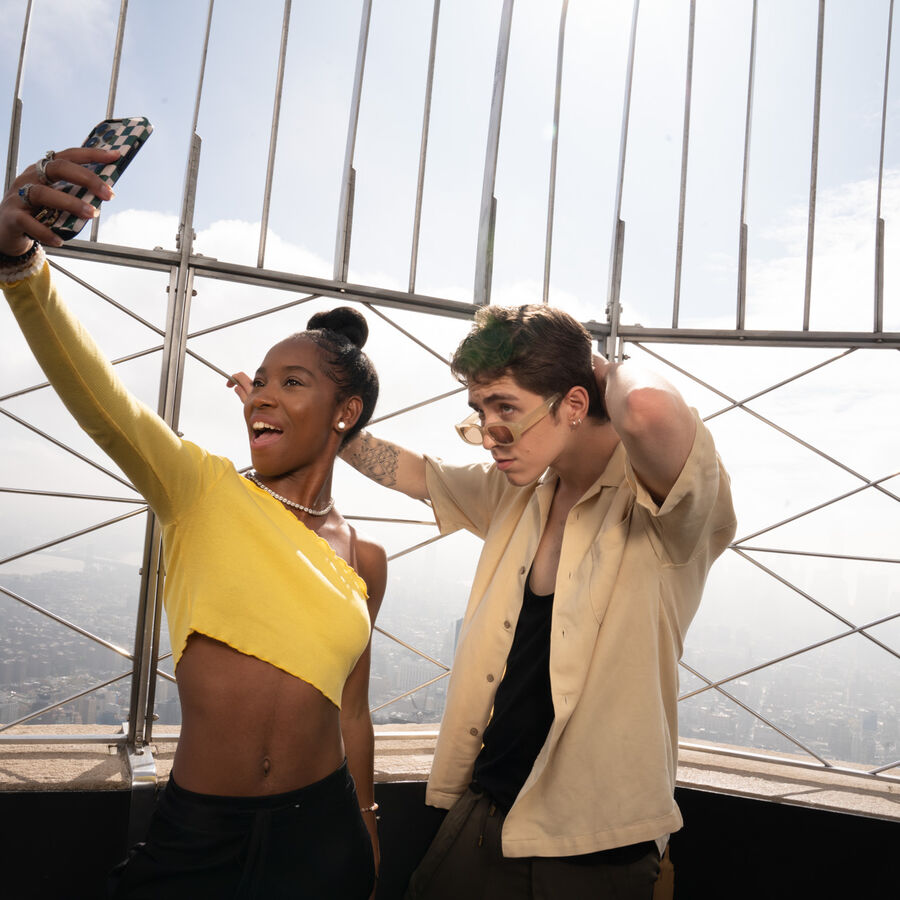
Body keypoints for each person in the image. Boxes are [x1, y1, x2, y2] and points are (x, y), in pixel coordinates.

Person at [0, 146, 386, 899]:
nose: (261, 397)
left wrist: (368, 829)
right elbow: (103, 398)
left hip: (325, 835)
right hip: (199, 835)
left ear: (346, 414)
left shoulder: (365, 558)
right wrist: (19, 265)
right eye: (260, 383)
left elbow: (356, 711)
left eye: (292, 383)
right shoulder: (201, 490)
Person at [338, 304, 737, 899]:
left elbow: (648, 410)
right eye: (479, 411)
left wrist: (599, 364)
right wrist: (329, 422)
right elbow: (413, 473)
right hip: (483, 819)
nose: (491, 435)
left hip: (594, 848)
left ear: (575, 405)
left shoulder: (663, 508)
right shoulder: (516, 492)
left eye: (506, 409)